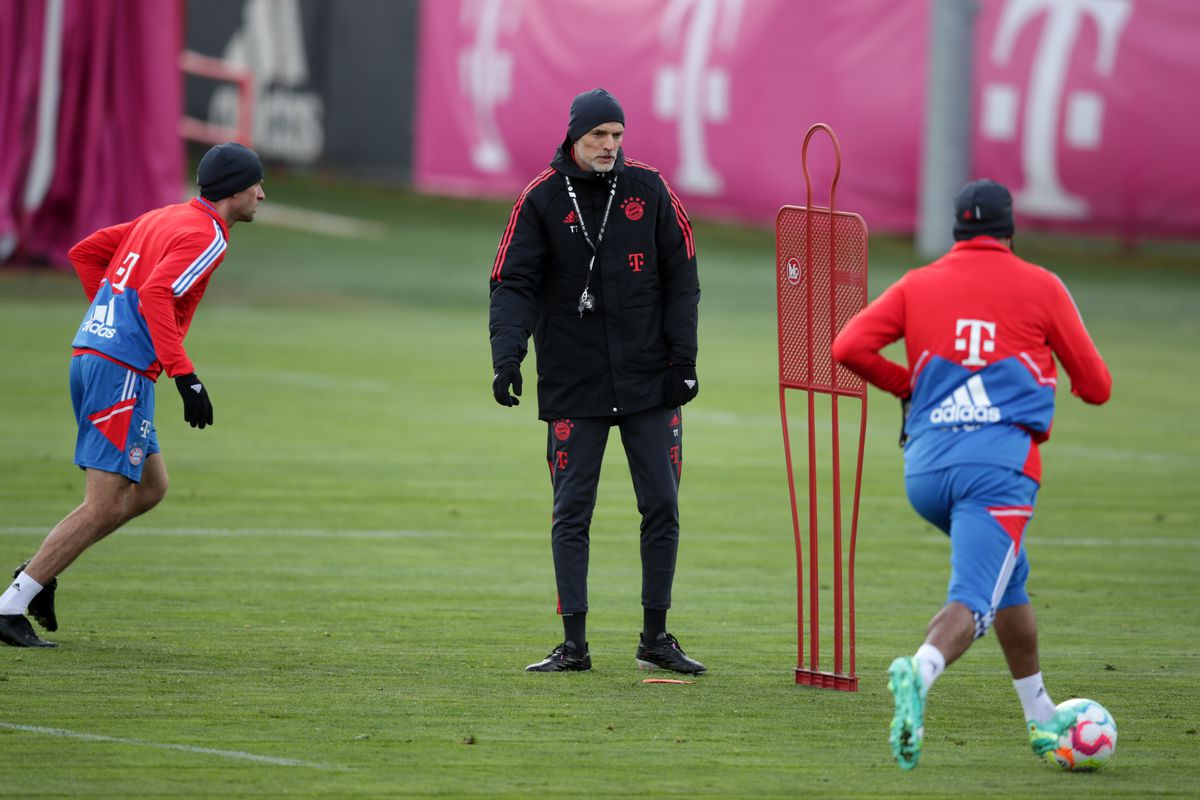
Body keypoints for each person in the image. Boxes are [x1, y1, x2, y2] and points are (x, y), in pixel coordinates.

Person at [831, 179, 1112, 769]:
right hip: (998, 473)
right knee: (973, 601)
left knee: (1010, 584)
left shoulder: (917, 284)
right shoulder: (1041, 286)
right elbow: (1097, 387)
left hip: (926, 472)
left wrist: (910, 386)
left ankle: (1040, 719)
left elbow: (848, 346)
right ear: (1010, 230)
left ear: (955, 229)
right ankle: (920, 670)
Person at [0, 142, 265, 648]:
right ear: (235, 188)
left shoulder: (164, 216)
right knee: (101, 505)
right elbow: (155, 293)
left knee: (150, 488)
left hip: (93, 356)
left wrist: (109, 323)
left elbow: (86, 252)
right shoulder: (207, 234)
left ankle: (36, 572)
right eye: (256, 183)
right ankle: (13, 602)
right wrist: (185, 375)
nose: (262, 194)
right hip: (118, 370)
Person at [489, 88, 704, 674]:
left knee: (662, 504)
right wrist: (507, 357)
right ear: (573, 139)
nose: (609, 146)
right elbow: (512, 283)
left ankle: (656, 638)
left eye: (616, 135)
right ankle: (574, 646)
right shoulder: (539, 198)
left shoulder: (651, 190)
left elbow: (683, 279)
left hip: (649, 381)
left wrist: (683, 363)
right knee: (571, 510)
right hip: (573, 382)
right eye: (597, 137)